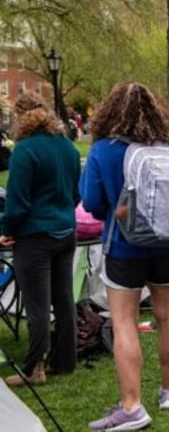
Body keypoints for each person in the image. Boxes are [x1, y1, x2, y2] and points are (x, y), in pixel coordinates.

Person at [80, 83, 169, 431]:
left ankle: (132, 406)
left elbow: (93, 205)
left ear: (109, 112)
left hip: (124, 248)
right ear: (156, 110)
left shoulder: (103, 151)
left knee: (125, 321)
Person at [0, 93, 80, 386]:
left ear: (21, 118)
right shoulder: (68, 148)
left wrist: (7, 229)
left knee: (36, 306)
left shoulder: (24, 151)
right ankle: (65, 360)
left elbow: (17, 201)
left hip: (35, 236)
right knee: (63, 299)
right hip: (65, 232)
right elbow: (75, 194)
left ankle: (35, 368)